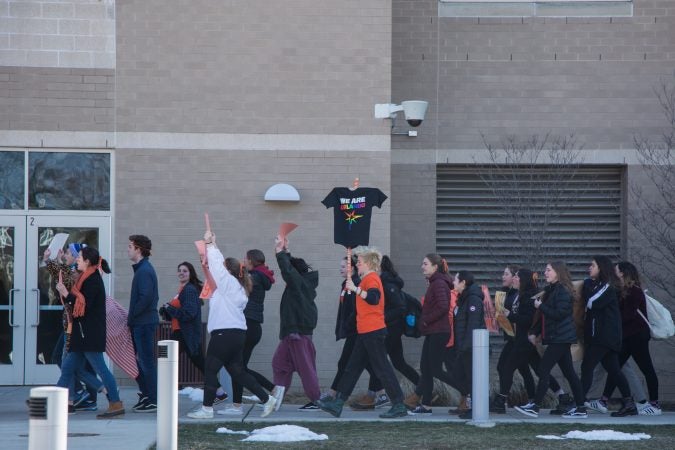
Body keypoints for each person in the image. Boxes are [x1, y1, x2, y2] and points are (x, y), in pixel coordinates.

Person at [187, 230, 276, 419]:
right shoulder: (238, 287)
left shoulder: (227, 283)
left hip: (224, 335)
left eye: (222, 269)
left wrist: (211, 244)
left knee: (210, 369)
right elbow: (217, 266)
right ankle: (267, 399)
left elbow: (218, 265)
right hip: (237, 335)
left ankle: (207, 409)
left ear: (228, 271)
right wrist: (212, 246)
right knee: (238, 372)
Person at [317, 246, 408, 419]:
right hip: (365, 331)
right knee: (352, 368)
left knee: (383, 369)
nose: (356, 265)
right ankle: (337, 403)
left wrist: (356, 288)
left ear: (368, 263)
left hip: (373, 331)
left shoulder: (372, 278)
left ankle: (398, 404)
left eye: (359, 262)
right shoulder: (366, 278)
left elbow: (374, 298)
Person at [55, 246, 124, 418]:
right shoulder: (84, 279)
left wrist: (66, 293)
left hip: (89, 335)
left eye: (79, 257)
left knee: (101, 369)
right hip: (82, 335)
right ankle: (55, 402)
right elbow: (77, 301)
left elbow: (85, 308)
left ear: (87, 261)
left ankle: (115, 402)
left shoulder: (93, 280)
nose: (77, 259)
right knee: (68, 368)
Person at [514, 261, 587, 419]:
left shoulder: (562, 291)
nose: (545, 273)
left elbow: (559, 314)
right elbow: (545, 318)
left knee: (543, 369)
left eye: (548, 270)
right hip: (557, 338)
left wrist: (540, 306)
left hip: (560, 338)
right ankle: (581, 407)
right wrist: (536, 330)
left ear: (558, 272)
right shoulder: (552, 290)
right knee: (570, 374)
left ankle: (536, 406)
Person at [599, 261, 661, 415]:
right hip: (627, 336)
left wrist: (611, 320)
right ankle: (603, 400)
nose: (614, 273)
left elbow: (627, 315)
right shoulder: (622, 290)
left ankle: (655, 404)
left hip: (637, 336)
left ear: (623, 273)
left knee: (647, 368)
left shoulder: (634, 291)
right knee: (616, 367)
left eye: (616, 270)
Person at [224, 249, 277, 415]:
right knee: (239, 367)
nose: (243, 261)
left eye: (245, 259)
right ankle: (271, 389)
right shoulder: (260, 275)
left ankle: (238, 405)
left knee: (236, 366)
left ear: (252, 261)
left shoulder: (254, 277)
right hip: (253, 326)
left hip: (247, 324)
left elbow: (238, 291)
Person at [271, 235, 321, 411]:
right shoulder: (300, 284)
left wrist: (279, 251)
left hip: (297, 334)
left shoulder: (297, 284)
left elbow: (287, 270)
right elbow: (290, 268)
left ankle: (317, 400)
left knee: (305, 369)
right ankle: (276, 399)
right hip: (291, 333)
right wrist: (286, 250)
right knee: (279, 364)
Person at [582, 256, 636, 417]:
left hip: (605, 336)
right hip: (601, 336)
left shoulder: (609, 287)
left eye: (592, 265)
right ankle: (629, 404)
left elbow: (592, 302)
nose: (588, 268)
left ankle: (578, 403)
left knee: (587, 366)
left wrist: (586, 285)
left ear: (601, 268)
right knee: (614, 370)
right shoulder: (598, 285)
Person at [409, 254, 457, 415]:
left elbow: (443, 307)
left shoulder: (438, 284)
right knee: (426, 368)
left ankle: (466, 390)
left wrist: (425, 320)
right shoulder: (435, 283)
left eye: (425, 264)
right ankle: (426, 405)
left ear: (435, 267)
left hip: (438, 331)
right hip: (433, 331)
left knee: (435, 369)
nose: (422, 266)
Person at [127, 234, 159, 413]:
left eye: (130, 246)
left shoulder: (145, 270)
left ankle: (154, 399)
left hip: (144, 323)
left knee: (146, 362)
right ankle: (147, 395)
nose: (128, 249)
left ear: (139, 249)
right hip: (141, 323)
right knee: (142, 361)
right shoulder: (142, 269)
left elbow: (145, 297)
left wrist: (133, 316)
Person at [160, 262, 205, 375]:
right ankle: (219, 390)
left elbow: (189, 314)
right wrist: (166, 311)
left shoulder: (189, 290)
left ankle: (161, 389)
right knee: (199, 362)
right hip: (181, 331)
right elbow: (178, 313)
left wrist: (169, 308)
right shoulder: (182, 289)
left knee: (166, 359)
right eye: (179, 270)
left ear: (191, 273)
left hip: (184, 332)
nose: (181, 273)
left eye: (185, 271)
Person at [451, 270, 485, 419]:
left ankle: (476, 408)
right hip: (463, 346)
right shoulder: (463, 298)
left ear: (463, 283)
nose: (453, 282)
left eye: (455, 280)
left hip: (471, 347)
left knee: (471, 378)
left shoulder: (473, 299)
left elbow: (473, 324)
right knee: (459, 375)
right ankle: (469, 404)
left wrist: (465, 346)